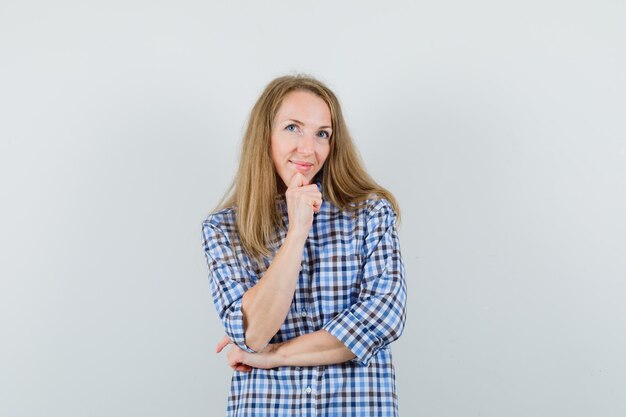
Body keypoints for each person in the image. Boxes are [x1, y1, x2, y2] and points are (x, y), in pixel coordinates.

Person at [201, 74, 407, 417]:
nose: (308, 149)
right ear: (264, 135)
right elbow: (252, 333)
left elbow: (384, 318)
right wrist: (297, 231)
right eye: (293, 128)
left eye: (322, 134)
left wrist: (275, 354)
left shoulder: (370, 214)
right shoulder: (223, 230)